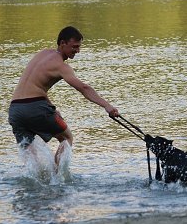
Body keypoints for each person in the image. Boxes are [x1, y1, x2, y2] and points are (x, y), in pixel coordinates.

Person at [8, 26, 119, 172]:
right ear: (62, 43)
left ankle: (36, 182)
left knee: (29, 152)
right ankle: (57, 178)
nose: (77, 51)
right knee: (66, 138)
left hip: (15, 110)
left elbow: (35, 87)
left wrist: (51, 106)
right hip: (36, 108)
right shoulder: (61, 66)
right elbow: (84, 88)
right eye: (74, 47)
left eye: (79, 47)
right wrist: (107, 106)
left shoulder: (42, 54)